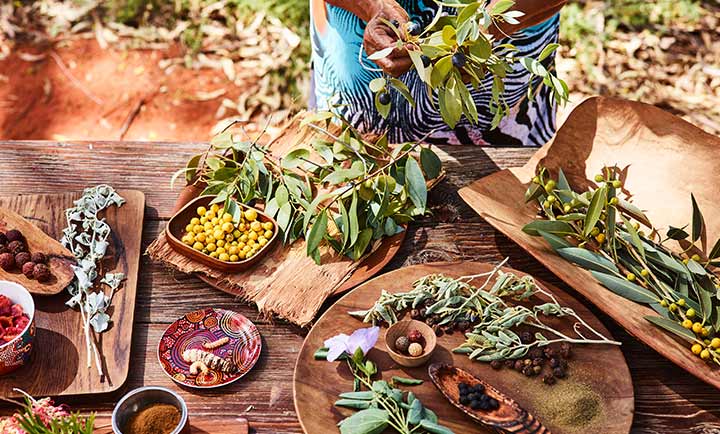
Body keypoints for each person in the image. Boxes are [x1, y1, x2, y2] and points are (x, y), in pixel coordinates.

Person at [310, 0, 568, 146]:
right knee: (356, 175)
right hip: (359, 75)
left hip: (506, 52)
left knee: (502, 205)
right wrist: (371, 6)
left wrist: (486, 31)